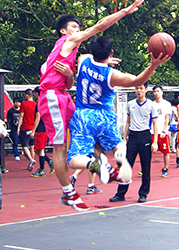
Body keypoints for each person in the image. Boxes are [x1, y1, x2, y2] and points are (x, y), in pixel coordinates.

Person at [40, 0, 144, 211]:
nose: (78, 30)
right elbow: (99, 27)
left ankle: (104, 165)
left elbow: (66, 82)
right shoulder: (67, 41)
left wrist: (71, 74)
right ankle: (69, 192)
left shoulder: (66, 54)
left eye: (78, 27)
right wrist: (124, 11)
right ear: (63, 31)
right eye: (74, 27)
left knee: (83, 130)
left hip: (64, 96)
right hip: (52, 98)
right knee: (59, 148)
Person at [66, 35, 170, 210]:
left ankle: (93, 164)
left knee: (73, 160)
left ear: (92, 51)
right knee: (119, 145)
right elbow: (137, 81)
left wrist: (103, 59)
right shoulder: (112, 75)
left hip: (83, 116)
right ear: (111, 53)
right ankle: (120, 159)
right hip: (104, 117)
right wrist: (153, 65)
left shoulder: (83, 61)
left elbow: (86, 56)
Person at [110, 84, 159, 203]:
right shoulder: (130, 104)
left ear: (146, 90)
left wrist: (155, 142)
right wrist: (124, 137)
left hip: (145, 135)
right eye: (137, 88)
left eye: (141, 88)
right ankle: (120, 193)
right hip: (133, 136)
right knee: (126, 165)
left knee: (145, 167)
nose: (139, 90)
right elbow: (128, 122)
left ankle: (143, 193)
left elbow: (155, 123)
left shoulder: (151, 105)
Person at [152, 85, 173, 177]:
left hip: (162, 132)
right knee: (148, 151)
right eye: (154, 91)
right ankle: (145, 168)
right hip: (152, 131)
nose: (156, 93)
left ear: (162, 92)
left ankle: (165, 168)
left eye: (158, 91)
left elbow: (167, 119)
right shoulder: (151, 104)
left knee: (165, 151)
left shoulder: (166, 104)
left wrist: (164, 130)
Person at [18, 89, 37, 171]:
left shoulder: (24, 104)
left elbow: (21, 116)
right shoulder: (36, 104)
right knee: (32, 146)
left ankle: (30, 159)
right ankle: (31, 162)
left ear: (27, 95)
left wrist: (18, 127)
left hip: (26, 127)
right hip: (33, 127)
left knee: (24, 146)